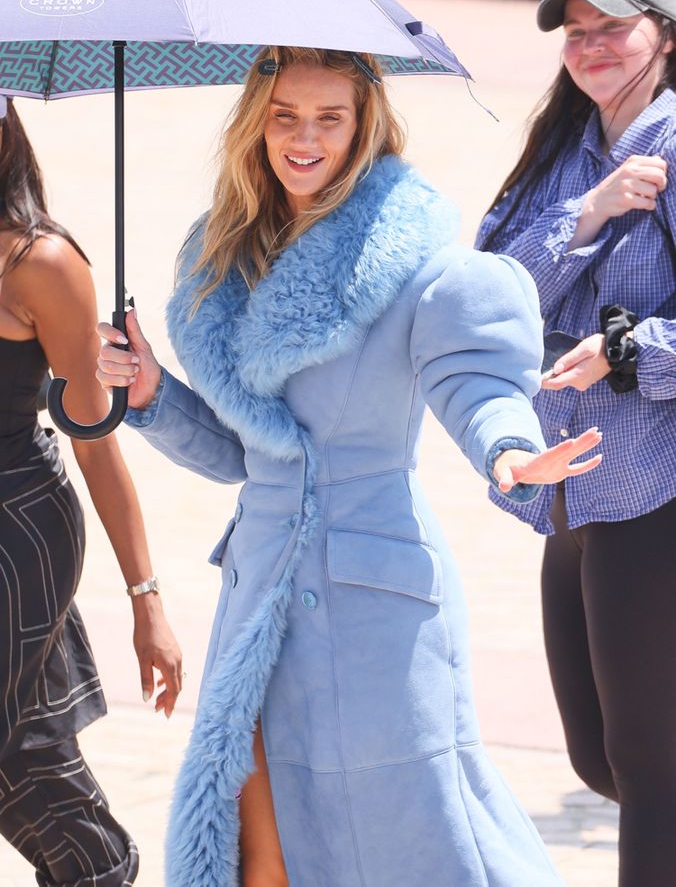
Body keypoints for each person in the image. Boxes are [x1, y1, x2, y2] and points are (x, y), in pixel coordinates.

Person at [96, 47, 602, 887]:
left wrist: (509, 447)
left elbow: (474, 380)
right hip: (259, 588)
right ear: (256, 120)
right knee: (256, 851)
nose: (305, 139)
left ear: (365, 124)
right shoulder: (227, 256)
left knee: (411, 841)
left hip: (375, 603)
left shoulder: (409, 262)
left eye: (330, 117)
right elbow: (243, 454)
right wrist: (153, 393)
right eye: (287, 115)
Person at [476, 0, 676, 887]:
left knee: (649, 773)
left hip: (659, 492)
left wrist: (631, 352)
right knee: (599, 758)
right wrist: (587, 212)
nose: (592, 46)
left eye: (615, 27)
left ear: (663, 38)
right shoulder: (567, 152)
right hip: (573, 489)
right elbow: (491, 288)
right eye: (577, 31)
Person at [0, 95, 183, 886]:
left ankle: (99, 869)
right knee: (25, 747)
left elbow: (95, 438)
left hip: (14, 532)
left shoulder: (39, 262)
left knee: (23, 753)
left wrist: (147, 597)